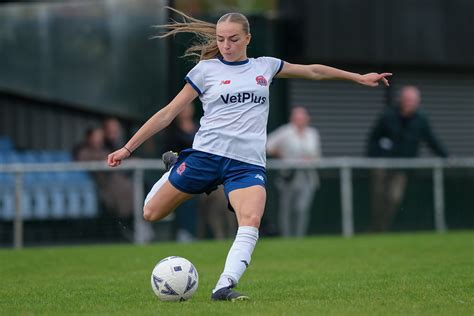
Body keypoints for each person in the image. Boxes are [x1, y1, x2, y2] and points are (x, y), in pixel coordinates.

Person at [107, 7, 391, 301]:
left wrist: (357, 77)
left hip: (246, 164)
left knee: (251, 218)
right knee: (151, 213)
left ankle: (223, 286)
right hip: (206, 156)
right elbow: (167, 114)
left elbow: (313, 71)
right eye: (220, 39)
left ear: (248, 38)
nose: (226, 46)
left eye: (233, 39)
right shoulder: (205, 71)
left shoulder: (265, 67)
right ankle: (177, 165)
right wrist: (128, 148)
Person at [367, 86, 448, 232]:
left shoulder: (421, 119)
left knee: (394, 198)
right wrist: (373, 160)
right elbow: (373, 139)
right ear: (401, 100)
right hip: (382, 166)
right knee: (378, 199)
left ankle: (382, 228)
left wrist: (446, 157)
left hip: (401, 169)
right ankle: (375, 227)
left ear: (418, 102)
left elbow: (431, 140)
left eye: (413, 101)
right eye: (407, 100)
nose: (409, 103)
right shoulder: (388, 116)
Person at [267, 106, 321, 237]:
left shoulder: (312, 133)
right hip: (289, 176)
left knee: (302, 208)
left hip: (307, 176)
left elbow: (317, 154)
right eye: (297, 118)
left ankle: (299, 236)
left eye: (302, 118)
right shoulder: (285, 132)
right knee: (286, 209)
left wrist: (310, 159)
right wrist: (281, 154)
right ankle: (287, 236)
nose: (300, 121)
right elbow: (267, 145)